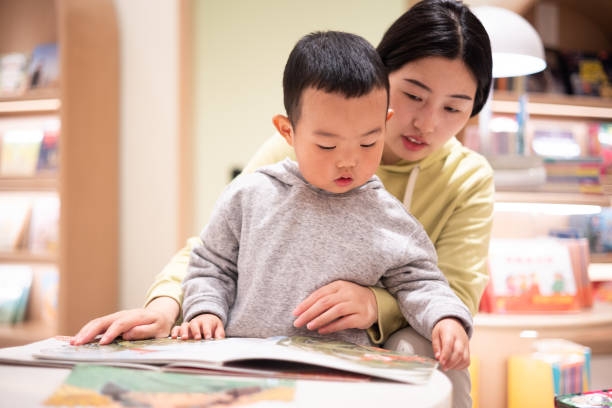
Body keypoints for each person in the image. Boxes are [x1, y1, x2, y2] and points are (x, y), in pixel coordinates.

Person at [72, 1, 493, 406]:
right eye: (414, 96)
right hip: (247, 350)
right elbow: (214, 254)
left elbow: (432, 283)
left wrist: (388, 307)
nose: (428, 122)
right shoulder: (264, 181)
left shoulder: (409, 207)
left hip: (346, 355)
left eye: (454, 108)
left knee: (433, 354)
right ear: (290, 132)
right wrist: (170, 306)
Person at [176, 31, 473, 363]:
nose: (348, 160)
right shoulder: (251, 195)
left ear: (384, 123)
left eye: (367, 142)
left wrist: (446, 318)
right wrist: (205, 310)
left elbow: (422, 283)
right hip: (243, 362)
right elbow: (211, 264)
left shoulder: (390, 219)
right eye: (327, 145)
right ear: (288, 131)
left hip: (339, 374)